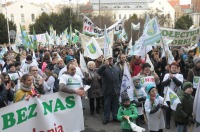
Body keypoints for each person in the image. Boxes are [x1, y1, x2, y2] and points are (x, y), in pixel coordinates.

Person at [97, 54, 122, 125]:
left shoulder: (117, 67)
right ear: (106, 60)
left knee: (116, 105)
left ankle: (115, 116)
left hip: (116, 90)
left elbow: (120, 77)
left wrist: (119, 85)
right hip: (107, 90)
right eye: (108, 59)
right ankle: (106, 118)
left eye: (111, 59)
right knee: (107, 105)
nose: (110, 60)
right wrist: (104, 65)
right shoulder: (104, 67)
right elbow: (98, 72)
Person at [162, 62, 184, 129]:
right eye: (172, 67)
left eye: (175, 68)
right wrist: (169, 79)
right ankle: (167, 122)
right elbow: (163, 84)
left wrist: (173, 78)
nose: (174, 69)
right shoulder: (166, 75)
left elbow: (179, 83)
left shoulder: (180, 75)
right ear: (170, 68)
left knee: (176, 109)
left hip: (176, 94)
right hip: (168, 94)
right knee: (168, 109)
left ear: (177, 69)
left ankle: (176, 121)